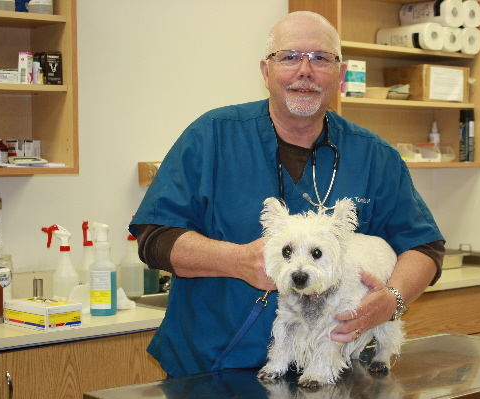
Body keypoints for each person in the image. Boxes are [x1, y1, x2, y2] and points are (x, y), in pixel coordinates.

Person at [130, 11, 445, 378]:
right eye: (290, 56)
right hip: (214, 370)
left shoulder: (374, 156)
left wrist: (391, 300)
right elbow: (154, 237)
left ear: (340, 76)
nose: (305, 71)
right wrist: (236, 260)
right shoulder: (212, 137)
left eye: (321, 58)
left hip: (336, 370)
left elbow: (425, 248)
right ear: (266, 71)